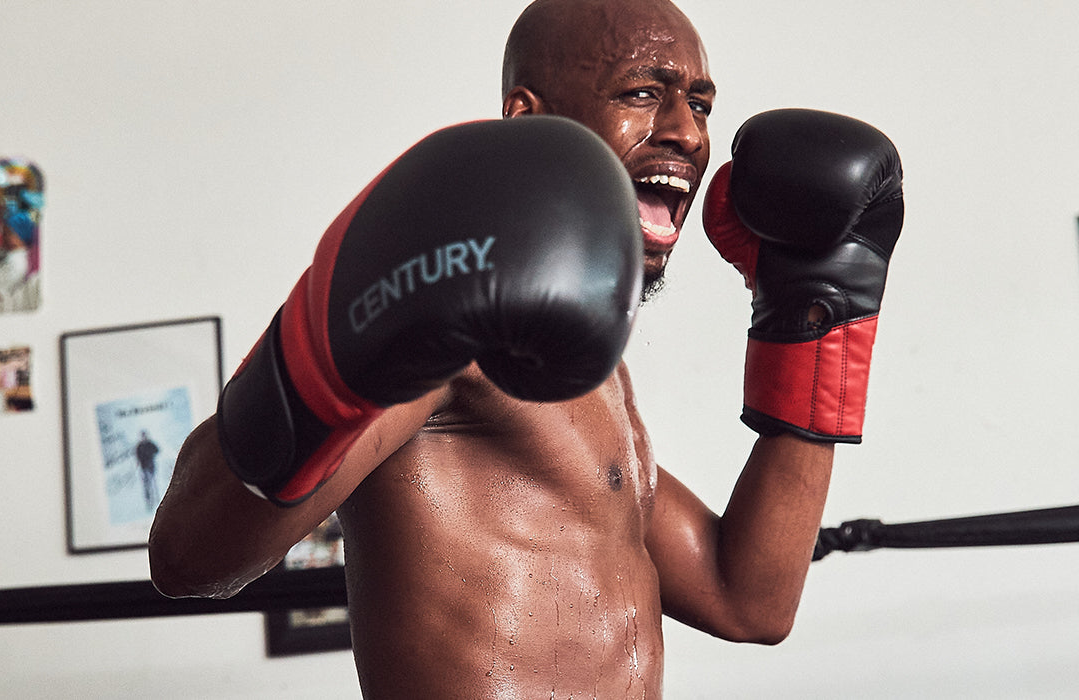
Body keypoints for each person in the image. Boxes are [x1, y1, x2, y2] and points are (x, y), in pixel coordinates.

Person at [149, 0, 903, 697]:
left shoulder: (579, 369)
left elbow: (749, 599)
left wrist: (813, 316)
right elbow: (189, 558)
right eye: (644, 92)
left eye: (700, 103)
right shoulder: (449, 332)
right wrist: (330, 351)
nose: (688, 131)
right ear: (527, 121)